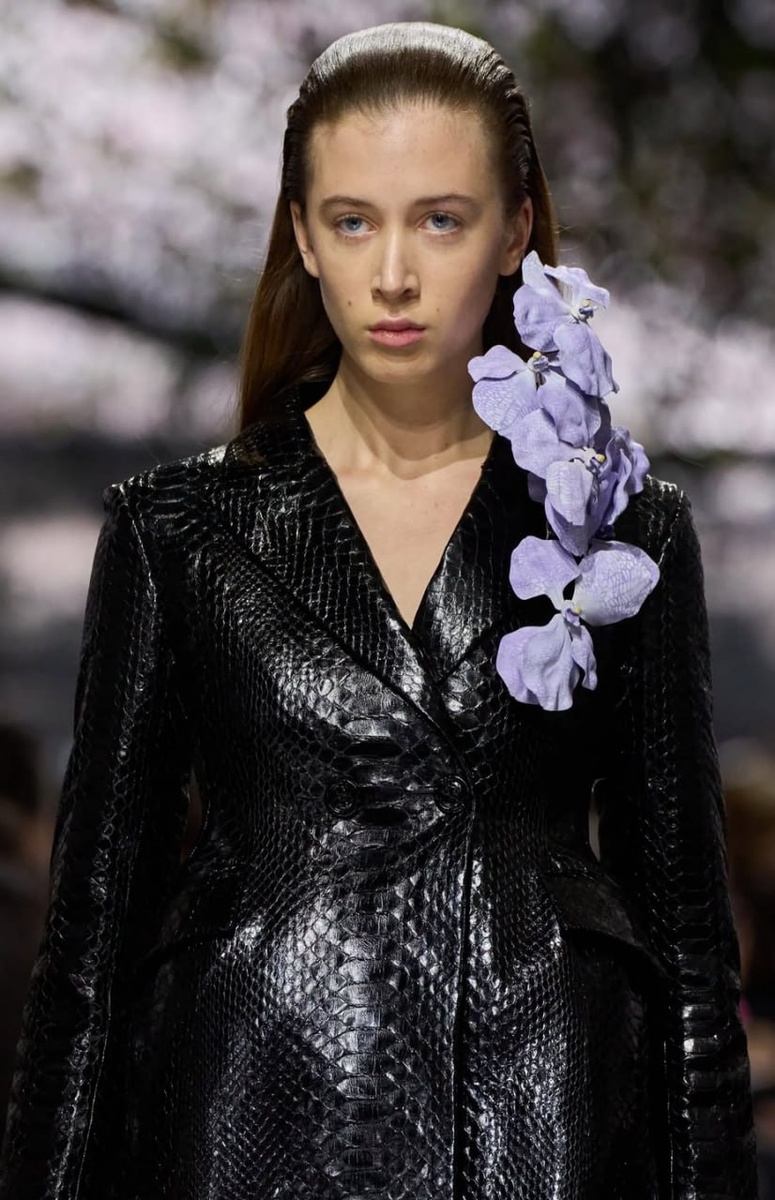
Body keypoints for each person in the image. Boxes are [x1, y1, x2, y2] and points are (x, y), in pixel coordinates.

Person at [0, 21, 758, 1200]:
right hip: (250, 1121)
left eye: (440, 219)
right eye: (353, 221)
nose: (393, 274)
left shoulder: (620, 529)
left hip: (535, 1123)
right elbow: (88, 955)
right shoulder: (176, 533)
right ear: (302, 234)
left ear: (515, 231)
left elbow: (691, 952)